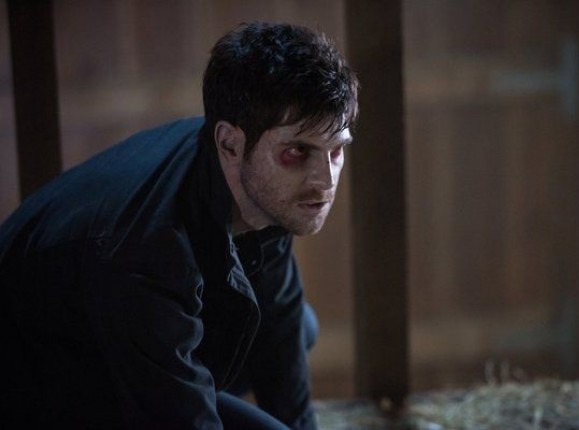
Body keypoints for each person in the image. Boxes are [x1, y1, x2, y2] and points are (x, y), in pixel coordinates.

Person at [0, 21, 358, 430]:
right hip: (35, 387)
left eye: (336, 151)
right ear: (230, 143)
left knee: (296, 327)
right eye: (297, 152)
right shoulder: (146, 249)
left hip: (114, 341)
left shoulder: (257, 178)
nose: (324, 181)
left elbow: (281, 327)